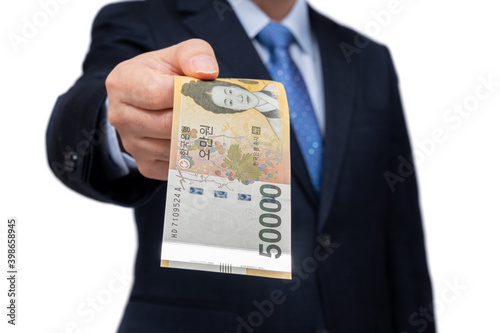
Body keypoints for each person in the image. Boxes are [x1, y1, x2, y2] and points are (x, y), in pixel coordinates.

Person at [46, 0, 436, 332]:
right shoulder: (145, 21)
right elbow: (88, 110)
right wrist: (116, 126)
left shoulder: (367, 57)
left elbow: (401, 233)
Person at [182, 79, 283, 139]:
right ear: (232, 110)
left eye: (230, 92)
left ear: (235, 86)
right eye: (230, 102)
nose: (239, 98)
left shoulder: (274, 86)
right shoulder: (278, 130)